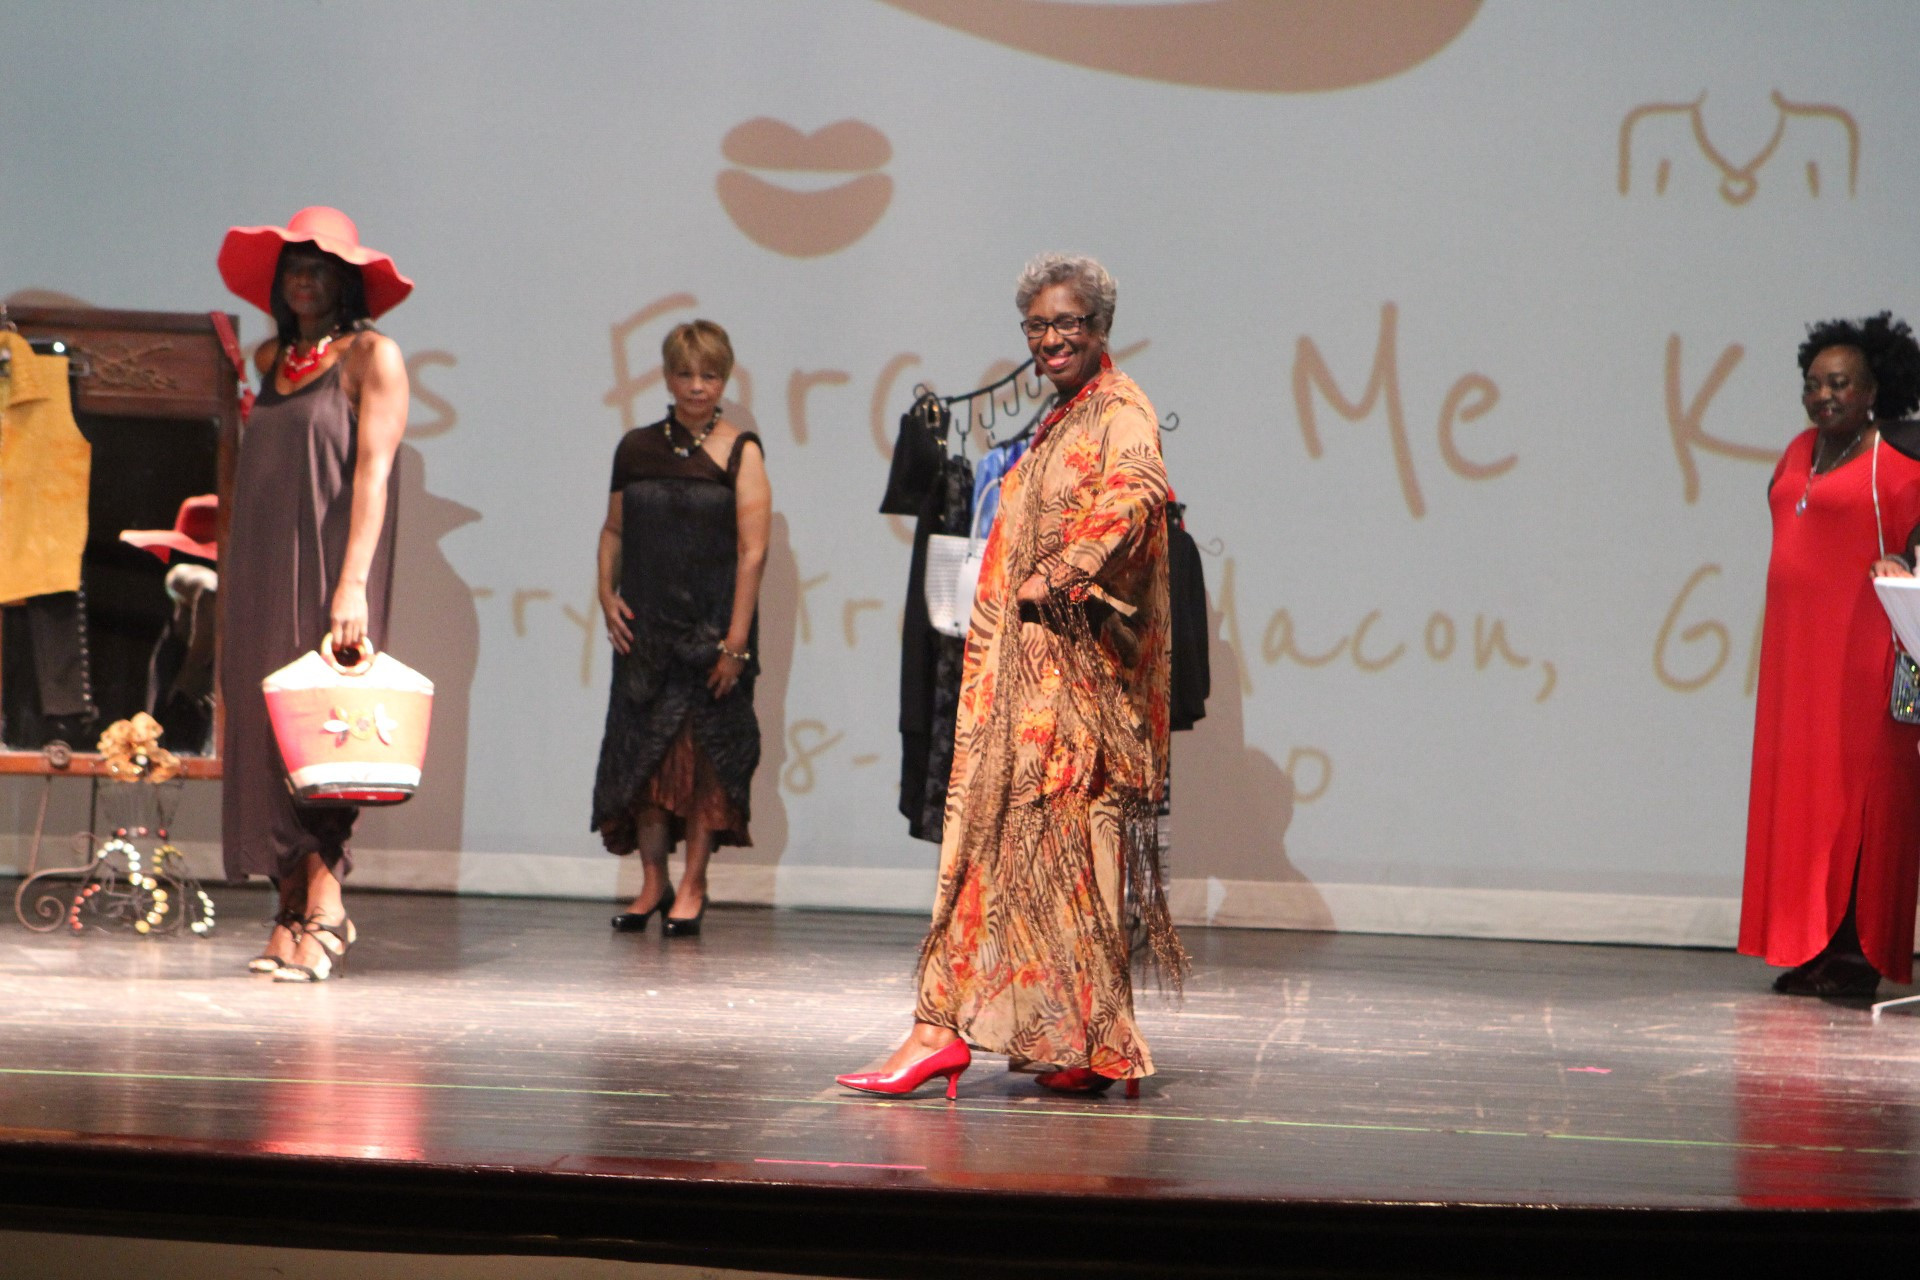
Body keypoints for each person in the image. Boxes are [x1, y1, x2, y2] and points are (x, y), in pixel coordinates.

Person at [838, 254, 1185, 1100]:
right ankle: (1070, 1041)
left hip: (1075, 695)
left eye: (1068, 322)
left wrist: (1065, 570)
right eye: (1038, 325)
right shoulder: (1061, 416)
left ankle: (949, 1034)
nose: (1052, 338)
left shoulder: (1121, 409)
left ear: (1100, 326)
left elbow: (1138, 491)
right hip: (1024, 687)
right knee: (1027, 861)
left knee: (1050, 861)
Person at [215, 207, 412, 982]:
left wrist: (352, 584)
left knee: (321, 736)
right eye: (294, 265)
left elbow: (374, 476)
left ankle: (325, 904)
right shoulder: (271, 358)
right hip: (262, 568)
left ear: (345, 280)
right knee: (266, 738)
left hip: (331, 568)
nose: (304, 278)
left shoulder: (373, 357)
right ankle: (288, 909)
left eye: (320, 266)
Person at [1743, 313, 1920, 999]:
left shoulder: (1896, 455)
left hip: (1867, 654)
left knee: (1861, 802)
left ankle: (1856, 953)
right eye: (1813, 384)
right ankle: (1813, 944)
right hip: (1798, 659)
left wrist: (1908, 558)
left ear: (1874, 389)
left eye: (1840, 383)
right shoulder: (1798, 450)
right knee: (1806, 807)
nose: (1823, 396)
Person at [592, 321, 770, 937]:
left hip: (711, 633)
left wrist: (736, 642)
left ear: (725, 379)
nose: (697, 386)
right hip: (645, 634)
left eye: (709, 375)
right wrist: (605, 594)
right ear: (667, 377)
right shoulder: (635, 447)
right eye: (686, 373)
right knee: (643, 761)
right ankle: (652, 883)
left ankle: (692, 885)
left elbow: (752, 552)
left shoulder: (740, 450)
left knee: (701, 765)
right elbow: (613, 531)